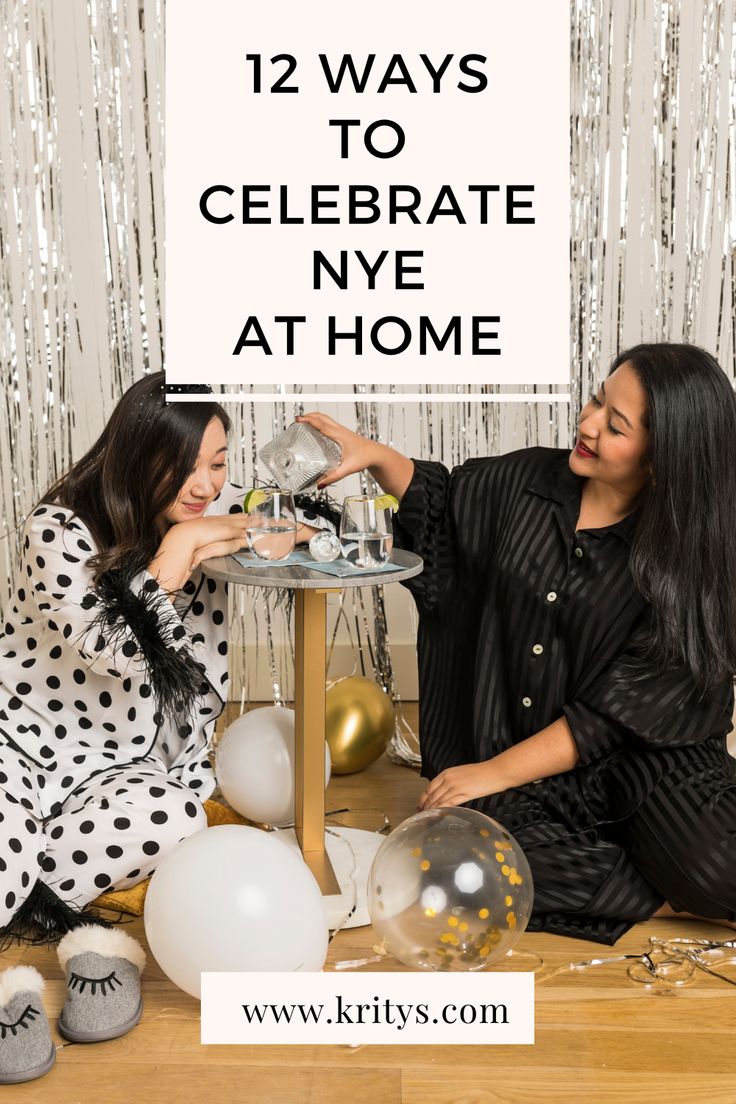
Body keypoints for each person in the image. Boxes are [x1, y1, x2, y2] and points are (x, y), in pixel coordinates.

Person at [298, 344, 736, 944]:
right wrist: (373, 455)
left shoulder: (690, 555)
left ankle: (657, 879)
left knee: (720, 864)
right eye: (596, 400)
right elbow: (445, 507)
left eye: (615, 426)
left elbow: (616, 718)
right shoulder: (524, 481)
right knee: (456, 852)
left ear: (663, 459)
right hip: (508, 750)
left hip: (644, 756)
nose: (587, 425)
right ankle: (663, 898)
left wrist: (491, 774)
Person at [0, 373, 333, 943]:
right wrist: (182, 547)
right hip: (25, 746)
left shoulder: (197, 524)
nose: (204, 486)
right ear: (137, 457)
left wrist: (250, 520)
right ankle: (27, 856)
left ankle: (42, 886)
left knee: (177, 818)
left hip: (118, 768)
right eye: (183, 466)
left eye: (218, 464)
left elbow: (325, 530)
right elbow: (123, 653)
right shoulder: (55, 531)